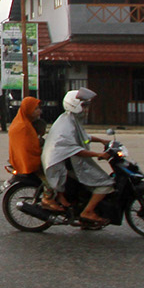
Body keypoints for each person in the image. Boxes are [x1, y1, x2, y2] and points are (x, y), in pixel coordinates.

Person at [42, 87, 116, 226]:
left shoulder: (70, 119)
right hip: (62, 164)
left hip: (68, 162)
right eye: (84, 105)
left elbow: (84, 138)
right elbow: (75, 150)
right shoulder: (67, 124)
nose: (86, 109)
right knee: (105, 183)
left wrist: (101, 140)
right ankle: (87, 212)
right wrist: (98, 154)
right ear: (75, 105)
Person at [8, 95, 62, 211]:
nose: (39, 111)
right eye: (36, 109)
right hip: (30, 162)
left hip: (29, 158)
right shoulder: (23, 127)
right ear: (28, 110)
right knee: (52, 180)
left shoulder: (25, 123)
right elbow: (29, 148)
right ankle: (47, 199)